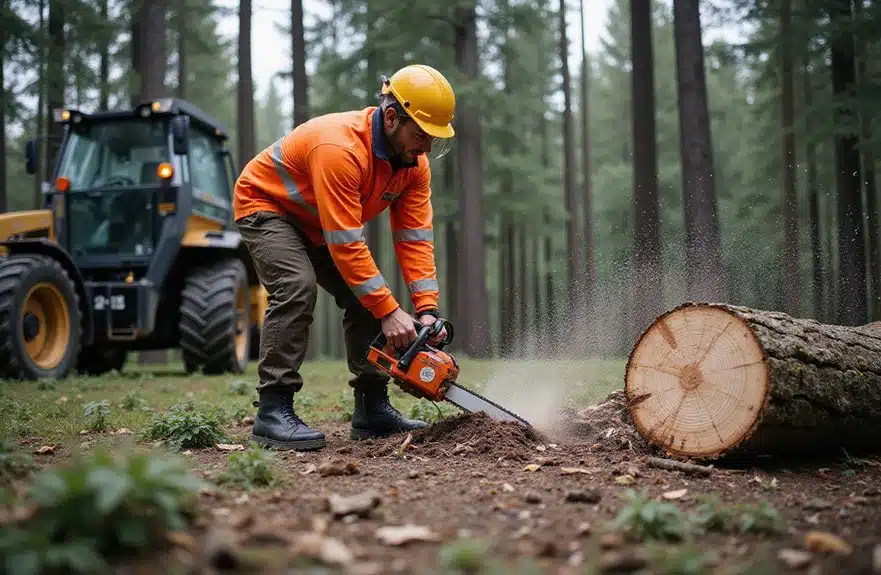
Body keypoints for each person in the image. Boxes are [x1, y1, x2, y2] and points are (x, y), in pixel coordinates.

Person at [232, 64, 455, 451]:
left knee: (367, 297)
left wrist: (427, 310)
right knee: (296, 288)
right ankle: (273, 409)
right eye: (421, 135)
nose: (426, 149)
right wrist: (389, 312)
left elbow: (415, 239)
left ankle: (371, 408)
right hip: (267, 206)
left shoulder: (413, 166)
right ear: (391, 118)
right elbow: (347, 244)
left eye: (434, 139)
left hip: (320, 223)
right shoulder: (339, 148)